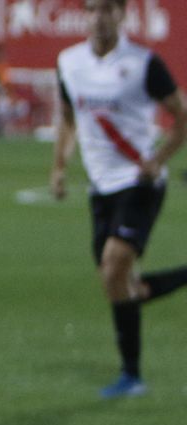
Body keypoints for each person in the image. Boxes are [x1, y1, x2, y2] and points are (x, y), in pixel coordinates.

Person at [51, 0, 187, 399]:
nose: (99, 17)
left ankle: (132, 377)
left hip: (140, 182)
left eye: (108, 8)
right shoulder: (69, 62)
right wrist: (58, 167)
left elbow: (182, 116)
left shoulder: (145, 63)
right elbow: (68, 117)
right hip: (101, 188)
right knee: (124, 286)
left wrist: (159, 159)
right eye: (92, 9)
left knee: (114, 267)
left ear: (123, 14)